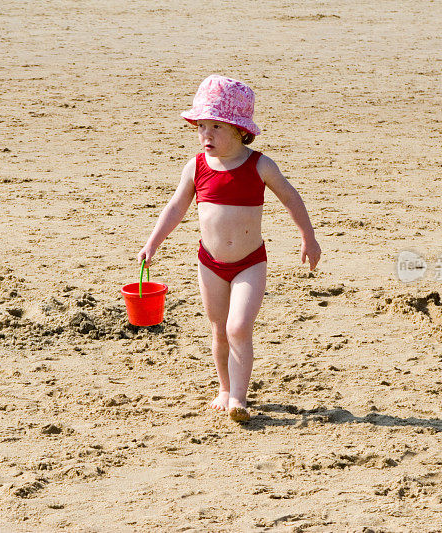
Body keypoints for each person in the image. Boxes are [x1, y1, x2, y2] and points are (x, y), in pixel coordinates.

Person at [137, 75, 321, 422]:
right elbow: (175, 208)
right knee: (219, 329)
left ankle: (238, 397)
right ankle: (224, 388)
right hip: (210, 263)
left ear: (240, 130)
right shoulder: (196, 167)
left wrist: (308, 238)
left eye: (216, 127)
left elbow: (291, 197)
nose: (206, 134)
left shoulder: (259, 165)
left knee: (238, 327)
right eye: (201, 126)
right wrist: (152, 244)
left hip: (250, 263)